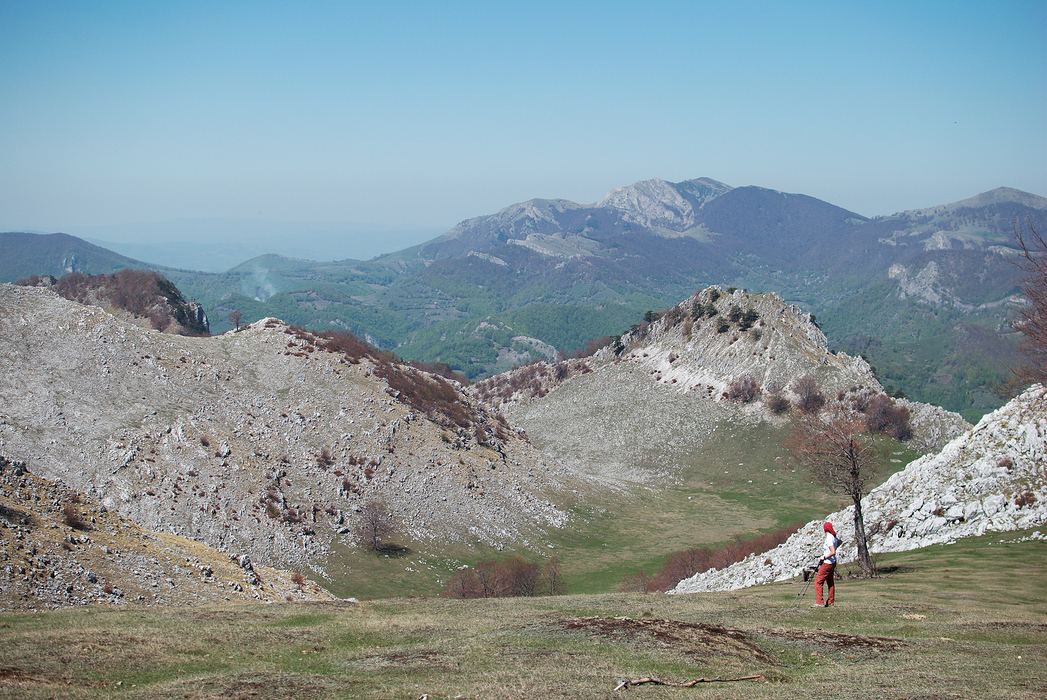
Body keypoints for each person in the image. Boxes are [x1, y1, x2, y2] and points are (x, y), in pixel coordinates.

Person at [814, 521, 840, 607]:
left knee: (818, 581)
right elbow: (840, 542)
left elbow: (833, 552)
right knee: (830, 582)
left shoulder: (829, 538)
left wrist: (824, 557)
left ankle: (820, 602)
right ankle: (830, 601)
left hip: (827, 563)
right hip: (833, 562)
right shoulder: (834, 537)